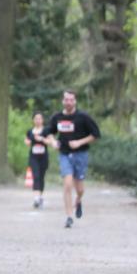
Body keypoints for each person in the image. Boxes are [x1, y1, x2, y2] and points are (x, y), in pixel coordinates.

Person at [43, 90, 101, 228]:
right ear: (63, 101)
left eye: (71, 100)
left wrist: (79, 142)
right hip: (64, 155)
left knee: (80, 189)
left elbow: (96, 134)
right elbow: (48, 133)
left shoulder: (83, 117)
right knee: (67, 184)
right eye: (66, 99)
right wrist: (53, 142)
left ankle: (79, 199)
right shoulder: (57, 117)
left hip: (80, 155)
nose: (68, 102)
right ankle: (69, 216)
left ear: (75, 101)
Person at [24, 112, 50, 208]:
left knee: (41, 177)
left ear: (42, 120)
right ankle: (36, 198)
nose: (38, 120)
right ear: (33, 120)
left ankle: (40, 196)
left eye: (39, 118)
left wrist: (42, 139)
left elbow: (50, 141)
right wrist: (29, 141)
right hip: (33, 157)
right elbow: (26, 141)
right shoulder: (30, 131)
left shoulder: (46, 131)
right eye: (36, 118)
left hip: (43, 157)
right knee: (36, 176)